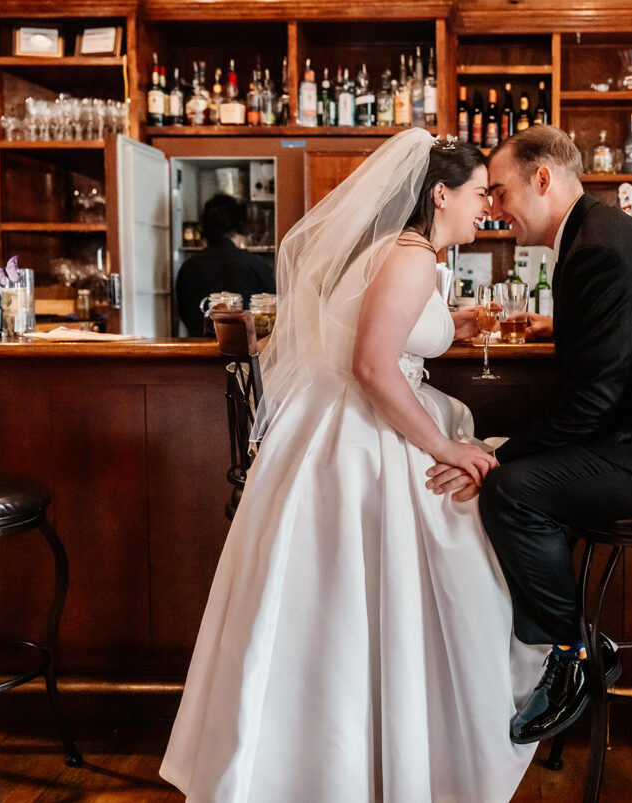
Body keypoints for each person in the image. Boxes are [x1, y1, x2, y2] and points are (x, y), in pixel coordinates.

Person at [160, 129, 545, 802]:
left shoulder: (410, 254)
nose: (488, 204)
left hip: (345, 423)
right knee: (461, 521)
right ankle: (414, 747)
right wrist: (445, 446)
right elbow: (372, 365)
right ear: (441, 194)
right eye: (480, 192)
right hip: (357, 437)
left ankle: (378, 749)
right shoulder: (410, 257)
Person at [426, 125, 632, 746]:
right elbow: (621, 348)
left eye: (502, 192)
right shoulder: (601, 236)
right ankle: (582, 646)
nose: (494, 209)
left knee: (511, 491)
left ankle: (572, 658)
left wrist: (493, 454)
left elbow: (593, 399)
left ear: (543, 179)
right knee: (517, 474)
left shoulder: (597, 250)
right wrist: (558, 329)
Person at [175, 193, 277, 335]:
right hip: (245, 349)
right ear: (239, 227)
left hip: (198, 348)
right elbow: (273, 308)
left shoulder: (189, 267)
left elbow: (184, 314)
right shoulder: (256, 265)